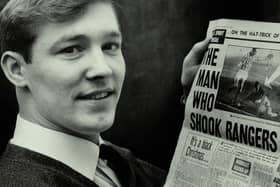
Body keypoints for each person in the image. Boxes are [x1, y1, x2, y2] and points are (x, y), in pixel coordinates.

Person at [0, 0, 210, 186]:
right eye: (71, 50)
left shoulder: (118, 164)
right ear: (16, 69)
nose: (103, 69)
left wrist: (201, 109)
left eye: (110, 46)